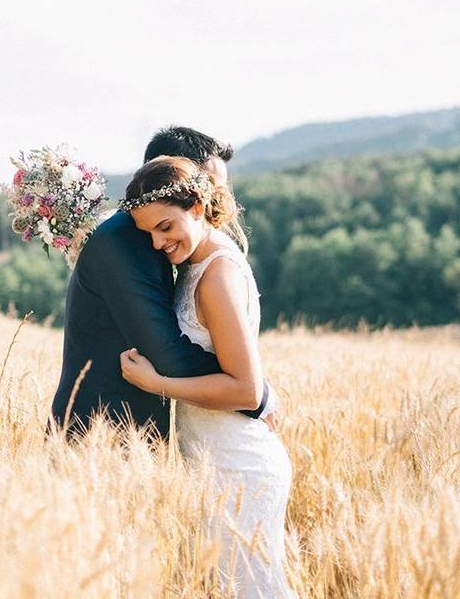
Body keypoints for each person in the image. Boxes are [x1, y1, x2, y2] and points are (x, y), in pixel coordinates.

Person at [118, 155, 294, 597]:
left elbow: (245, 388)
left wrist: (157, 385)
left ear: (197, 207)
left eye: (166, 227)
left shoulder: (215, 275)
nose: (158, 243)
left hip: (240, 466)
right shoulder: (196, 261)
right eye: (148, 234)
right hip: (214, 463)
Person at [50, 127, 277, 438]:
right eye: (209, 185)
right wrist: (255, 395)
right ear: (174, 176)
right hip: (100, 427)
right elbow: (165, 351)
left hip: (137, 429)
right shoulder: (126, 242)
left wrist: (245, 385)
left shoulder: (193, 255)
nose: (215, 199)